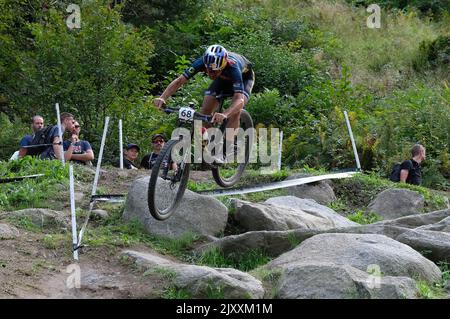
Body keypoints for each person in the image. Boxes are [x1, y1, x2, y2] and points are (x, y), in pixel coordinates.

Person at [153, 44, 255, 162]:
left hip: (244, 79)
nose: (211, 74)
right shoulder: (201, 62)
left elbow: (239, 100)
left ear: (222, 66)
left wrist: (225, 114)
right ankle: (213, 144)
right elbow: (180, 81)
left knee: (235, 111)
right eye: (208, 71)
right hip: (222, 79)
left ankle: (229, 147)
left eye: (214, 71)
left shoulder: (233, 67)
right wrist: (162, 98)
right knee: (205, 110)